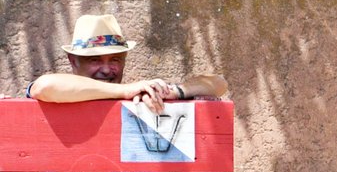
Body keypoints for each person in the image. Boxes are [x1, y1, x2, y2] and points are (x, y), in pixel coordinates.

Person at [23, 13, 227, 114]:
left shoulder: (138, 95)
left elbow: (219, 84)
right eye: (95, 60)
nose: (106, 69)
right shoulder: (130, 91)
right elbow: (45, 87)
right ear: (72, 60)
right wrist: (126, 91)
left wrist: (174, 92)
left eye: (115, 60)